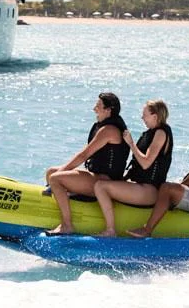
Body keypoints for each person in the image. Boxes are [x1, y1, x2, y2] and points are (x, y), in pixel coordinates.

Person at [42, 92, 130, 235]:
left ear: (108, 110)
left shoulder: (109, 130)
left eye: (98, 106)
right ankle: (69, 201)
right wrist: (62, 170)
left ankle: (67, 225)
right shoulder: (103, 127)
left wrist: (61, 173)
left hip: (105, 181)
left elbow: (83, 156)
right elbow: (84, 154)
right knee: (51, 172)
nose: (94, 108)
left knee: (55, 178)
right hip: (95, 175)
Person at [91, 99, 173, 237]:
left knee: (101, 186)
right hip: (140, 186)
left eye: (145, 115)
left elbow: (146, 163)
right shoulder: (150, 133)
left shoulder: (161, 133)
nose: (142, 118)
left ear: (155, 116)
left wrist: (131, 143)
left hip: (149, 190)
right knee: (102, 183)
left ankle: (110, 230)